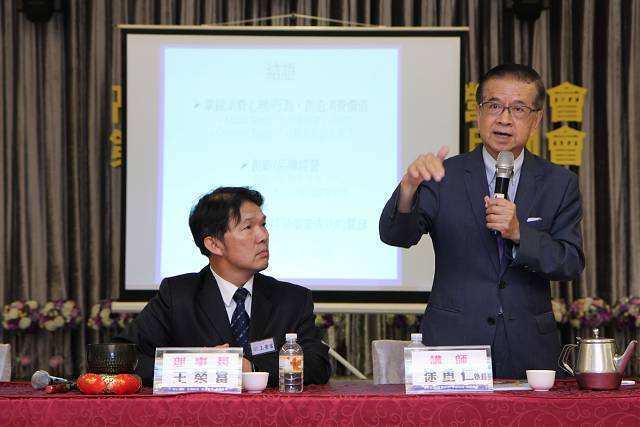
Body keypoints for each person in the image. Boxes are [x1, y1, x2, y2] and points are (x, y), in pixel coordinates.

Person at [379, 64, 584, 378]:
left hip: (529, 348)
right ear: (478, 113)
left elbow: (569, 262)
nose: (504, 119)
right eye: (494, 106)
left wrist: (520, 233)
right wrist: (408, 188)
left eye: (518, 109)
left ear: (536, 120)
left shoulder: (559, 183)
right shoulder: (443, 176)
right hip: (454, 345)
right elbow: (396, 236)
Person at [116, 187, 332, 387]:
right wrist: (198, 366)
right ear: (214, 244)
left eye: (263, 225)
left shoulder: (292, 299)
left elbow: (318, 364)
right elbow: (121, 357)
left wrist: (250, 368)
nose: (263, 236)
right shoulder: (178, 296)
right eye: (248, 227)